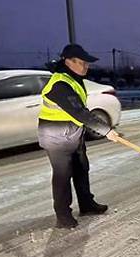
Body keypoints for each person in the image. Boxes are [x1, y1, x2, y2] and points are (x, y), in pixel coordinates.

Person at [38, 44, 120, 228]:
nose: (86, 66)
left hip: (72, 132)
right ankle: (63, 215)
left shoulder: (73, 78)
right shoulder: (60, 84)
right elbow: (79, 112)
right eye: (82, 62)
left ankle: (87, 204)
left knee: (81, 168)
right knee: (62, 175)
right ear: (68, 61)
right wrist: (106, 130)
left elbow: (80, 110)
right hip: (55, 136)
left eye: (87, 63)